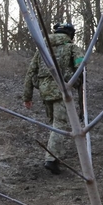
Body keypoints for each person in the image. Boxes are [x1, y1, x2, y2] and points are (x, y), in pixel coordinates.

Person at [22, 22, 83, 174]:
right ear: (70, 34)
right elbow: (81, 65)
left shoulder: (42, 49)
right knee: (59, 125)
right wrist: (77, 80)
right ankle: (51, 159)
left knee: (54, 124)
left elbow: (30, 72)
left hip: (44, 91)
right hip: (63, 90)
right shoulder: (71, 47)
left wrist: (27, 97)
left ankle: (53, 156)